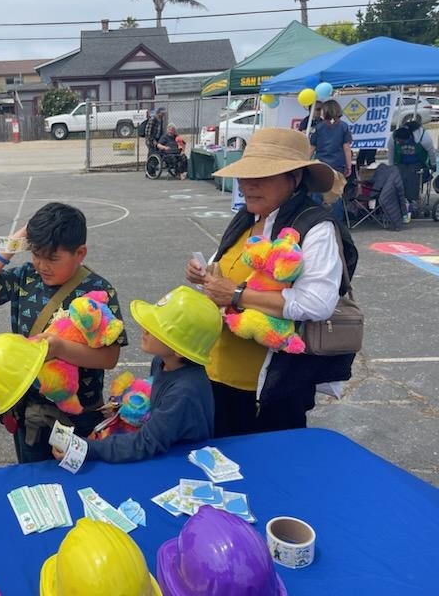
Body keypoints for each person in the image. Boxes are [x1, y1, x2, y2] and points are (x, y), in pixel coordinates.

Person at [186, 128, 355, 437]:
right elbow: (222, 278)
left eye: (262, 176)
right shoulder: (247, 219)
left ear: (295, 179)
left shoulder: (314, 227)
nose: (248, 185)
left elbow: (317, 303)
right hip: (217, 376)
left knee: (267, 473)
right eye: (245, 176)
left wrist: (236, 294)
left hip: (271, 391)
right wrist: (203, 277)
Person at [0, 202, 128, 463]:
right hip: (30, 411)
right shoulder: (27, 277)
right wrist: (18, 237)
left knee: (77, 479)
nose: (42, 265)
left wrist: (59, 349)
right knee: (35, 480)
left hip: (79, 414)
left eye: (52, 258)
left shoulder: (98, 290)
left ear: (80, 253)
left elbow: (109, 358)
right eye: (36, 254)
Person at [51, 286, 221, 464]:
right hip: (166, 452)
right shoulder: (162, 362)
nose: (144, 328)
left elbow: (145, 443)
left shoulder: (184, 392)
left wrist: (86, 447)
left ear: (180, 350)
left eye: (156, 328)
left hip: (179, 464)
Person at [309, 99, 352, 221]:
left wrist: (305, 162)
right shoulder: (344, 126)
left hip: (320, 165)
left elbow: (312, 147)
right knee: (335, 195)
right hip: (337, 165)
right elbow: (346, 147)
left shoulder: (318, 127)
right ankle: (337, 223)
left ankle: (316, 221)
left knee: (317, 194)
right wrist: (348, 166)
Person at [387, 118, 436, 207]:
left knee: (412, 177)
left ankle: (412, 200)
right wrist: (391, 166)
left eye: (402, 142)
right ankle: (401, 201)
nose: (399, 143)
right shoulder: (393, 138)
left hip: (418, 163)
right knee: (399, 178)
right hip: (401, 162)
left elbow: (431, 151)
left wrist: (433, 164)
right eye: (398, 142)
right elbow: (391, 152)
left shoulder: (423, 137)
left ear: (408, 137)